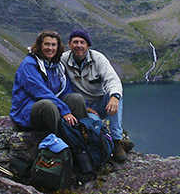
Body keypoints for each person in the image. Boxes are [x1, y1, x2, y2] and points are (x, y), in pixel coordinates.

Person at [61, 29, 134, 163]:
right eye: (75, 42)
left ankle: (117, 141)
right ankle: (108, 145)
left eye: (82, 42)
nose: (79, 45)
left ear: (88, 46)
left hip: (101, 103)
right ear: (70, 45)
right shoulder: (63, 60)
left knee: (116, 96)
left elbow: (112, 79)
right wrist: (86, 108)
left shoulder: (98, 58)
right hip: (81, 107)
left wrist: (114, 97)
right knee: (95, 125)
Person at [10, 30, 88, 138]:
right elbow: (40, 92)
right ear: (40, 46)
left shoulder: (57, 66)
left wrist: (86, 107)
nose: (50, 48)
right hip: (27, 112)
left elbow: (66, 90)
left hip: (53, 106)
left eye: (53, 45)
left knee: (76, 99)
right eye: (47, 44)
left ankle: (83, 138)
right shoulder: (29, 64)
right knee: (48, 105)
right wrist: (64, 110)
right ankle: (63, 145)